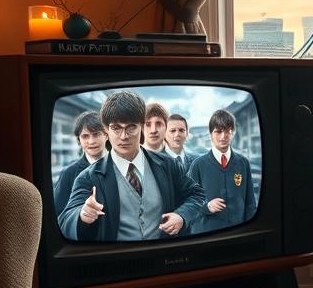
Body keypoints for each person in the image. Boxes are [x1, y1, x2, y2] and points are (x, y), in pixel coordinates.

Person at [58, 90, 204, 242]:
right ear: (106, 130)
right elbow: (65, 219)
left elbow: (196, 194)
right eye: (116, 128)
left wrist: (182, 215)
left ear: (141, 126)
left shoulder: (167, 165)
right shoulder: (88, 177)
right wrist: (82, 215)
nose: (123, 136)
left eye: (131, 127)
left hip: (164, 257)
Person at [186, 109, 257, 234]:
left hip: (237, 233)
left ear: (233, 132)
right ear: (210, 134)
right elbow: (188, 202)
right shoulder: (198, 165)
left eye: (227, 131)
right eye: (218, 132)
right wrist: (207, 207)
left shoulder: (243, 163)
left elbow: (250, 203)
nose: (223, 136)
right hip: (206, 233)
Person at [53, 111, 107, 215]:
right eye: (85, 136)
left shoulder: (120, 165)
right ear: (79, 140)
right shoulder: (69, 173)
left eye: (96, 134)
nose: (91, 141)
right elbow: (59, 214)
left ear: (106, 135)